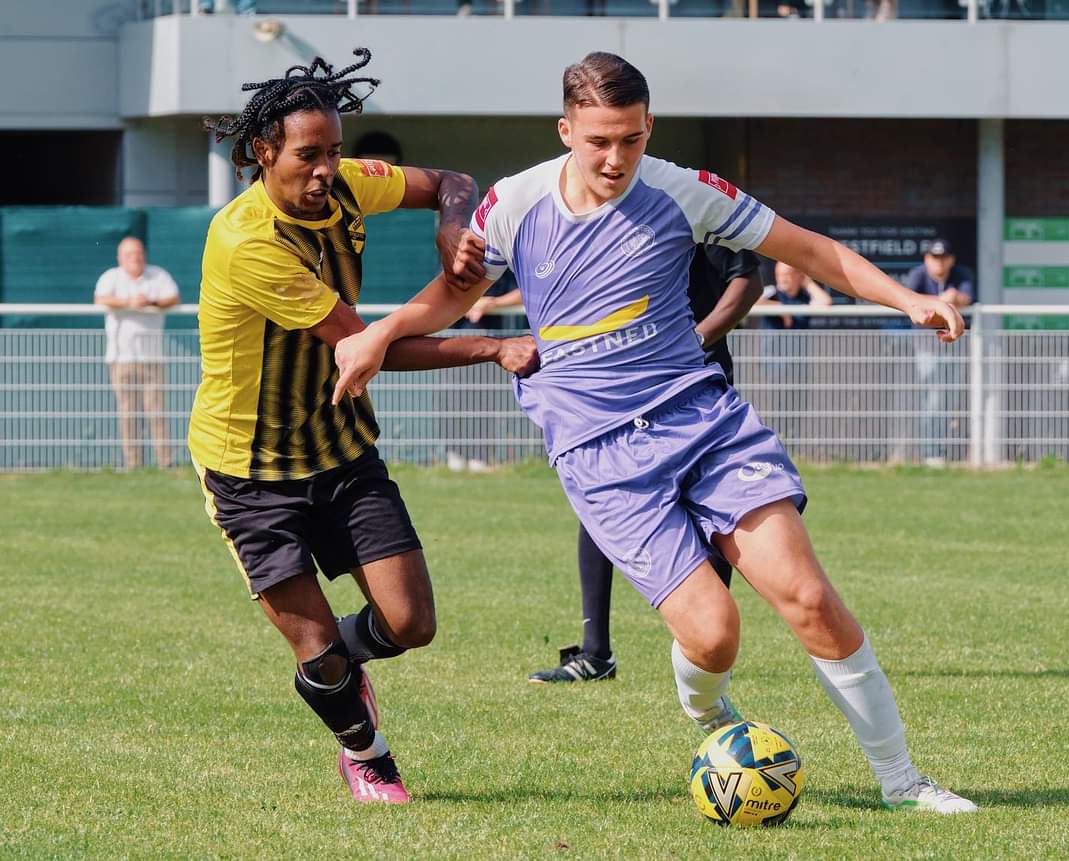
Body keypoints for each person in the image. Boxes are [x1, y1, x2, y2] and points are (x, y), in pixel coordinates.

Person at [331, 51, 978, 815]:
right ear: (567, 129)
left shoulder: (681, 191)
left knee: (808, 595)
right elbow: (450, 295)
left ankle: (904, 783)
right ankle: (709, 714)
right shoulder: (514, 203)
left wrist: (907, 299)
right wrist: (382, 331)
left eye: (631, 139)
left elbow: (808, 249)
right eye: (599, 140)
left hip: (702, 419)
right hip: (599, 453)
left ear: (649, 128)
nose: (615, 158)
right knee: (715, 634)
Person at [189, 48, 537, 806]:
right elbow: (365, 347)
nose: (326, 171)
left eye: (335, 153)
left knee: (411, 622)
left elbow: (455, 182)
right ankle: (367, 752)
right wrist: (495, 346)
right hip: (249, 470)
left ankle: (328, 672)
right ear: (263, 153)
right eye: (309, 156)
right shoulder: (250, 240)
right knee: (316, 644)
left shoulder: (345, 186)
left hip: (339, 448)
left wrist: (451, 226)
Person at [528, 244, 764, 683]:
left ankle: (705, 652)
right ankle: (595, 652)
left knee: (713, 508)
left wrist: (696, 338)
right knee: (603, 499)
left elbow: (749, 281)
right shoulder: (613, 217)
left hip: (698, 386)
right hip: (628, 388)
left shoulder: (707, 209)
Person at [94, 236, 180, 469]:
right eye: (130, 254)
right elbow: (101, 298)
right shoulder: (111, 277)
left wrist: (150, 302)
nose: (136, 258)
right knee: (128, 414)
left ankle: (165, 463)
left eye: (139, 253)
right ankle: (134, 465)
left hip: (152, 357)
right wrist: (129, 302)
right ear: (120, 257)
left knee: (157, 412)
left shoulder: (158, 275)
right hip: (121, 358)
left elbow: (173, 297)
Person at [904, 238, 975, 464]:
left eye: (943, 258)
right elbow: (912, 304)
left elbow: (966, 298)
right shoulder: (917, 275)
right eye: (934, 258)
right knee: (932, 398)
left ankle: (937, 449)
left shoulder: (961, 274)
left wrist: (953, 299)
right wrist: (941, 302)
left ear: (951, 260)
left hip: (953, 344)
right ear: (927, 259)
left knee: (948, 398)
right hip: (926, 346)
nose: (939, 263)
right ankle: (930, 452)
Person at [757, 261, 833, 329]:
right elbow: (753, 302)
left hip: (799, 344)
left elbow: (826, 302)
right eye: (778, 275)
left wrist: (807, 283)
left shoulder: (805, 297)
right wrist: (780, 308)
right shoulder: (771, 292)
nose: (782, 279)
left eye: (786, 275)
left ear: (798, 276)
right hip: (774, 344)